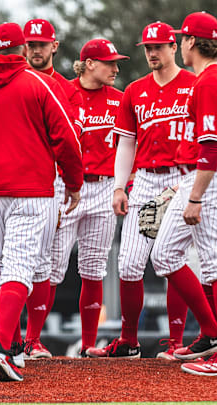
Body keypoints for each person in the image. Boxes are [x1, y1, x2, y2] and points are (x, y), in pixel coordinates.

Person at [0, 22, 83, 382]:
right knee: (20, 266)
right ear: (20, 50)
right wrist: (74, 183)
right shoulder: (37, 84)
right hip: (30, 189)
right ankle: (2, 348)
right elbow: (66, 139)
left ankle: (11, 343)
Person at [85, 22, 197, 360]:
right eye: (148, 47)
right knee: (129, 263)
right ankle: (129, 341)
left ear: (173, 47)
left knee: (175, 260)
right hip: (146, 179)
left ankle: (177, 342)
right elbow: (126, 142)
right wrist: (120, 186)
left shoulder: (194, 85)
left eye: (159, 47)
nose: (152, 53)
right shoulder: (135, 90)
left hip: (184, 176)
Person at [149, 12, 217, 377]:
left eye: (182, 39)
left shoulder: (211, 82)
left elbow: (212, 146)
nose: (181, 44)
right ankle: (210, 332)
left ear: (190, 42)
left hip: (212, 178)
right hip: (202, 177)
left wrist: (195, 197)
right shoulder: (216, 79)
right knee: (165, 254)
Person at [37, 38, 128, 357]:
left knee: (94, 267)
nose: (116, 69)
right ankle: (33, 340)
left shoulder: (120, 99)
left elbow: (130, 146)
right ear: (90, 63)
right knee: (52, 266)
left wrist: (124, 183)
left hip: (104, 187)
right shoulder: (63, 91)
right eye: (110, 63)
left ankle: (89, 344)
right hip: (66, 186)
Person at [20, 18, 85, 360]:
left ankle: (32, 339)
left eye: (41, 44)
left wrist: (72, 183)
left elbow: (69, 139)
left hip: (53, 179)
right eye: (30, 44)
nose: (35, 49)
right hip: (16, 178)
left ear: (54, 46)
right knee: (2, 258)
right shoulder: (14, 81)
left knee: (44, 261)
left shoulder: (65, 87)